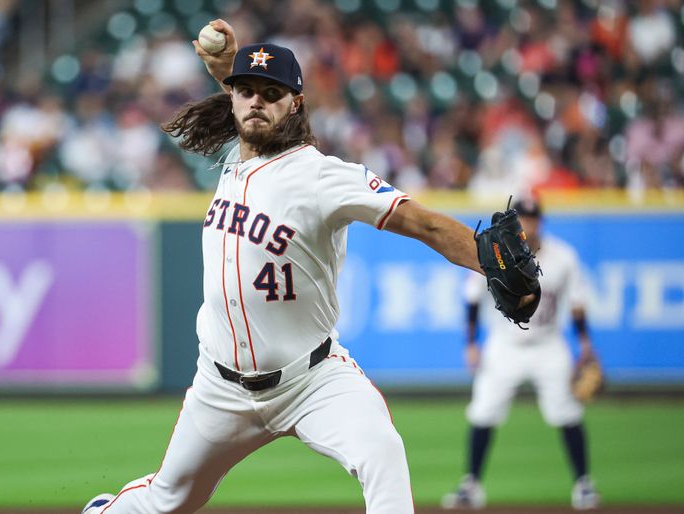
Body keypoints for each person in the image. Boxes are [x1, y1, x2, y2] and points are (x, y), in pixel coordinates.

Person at [81, 20, 532, 514]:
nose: (257, 101)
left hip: (312, 380)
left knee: (382, 452)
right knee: (166, 500)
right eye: (246, 91)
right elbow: (248, 112)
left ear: (295, 103)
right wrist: (228, 73)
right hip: (220, 387)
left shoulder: (321, 175)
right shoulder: (235, 154)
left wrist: (488, 262)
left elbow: (420, 223)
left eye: (272, 93)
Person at [441, 197, 601, 511]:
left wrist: (584, 343)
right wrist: (471, 343)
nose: (527, 224)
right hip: (504, 345)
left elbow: (578, 303)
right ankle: (471, 486)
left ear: (540, 221)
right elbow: (472, 299)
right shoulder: (496, 253)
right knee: (483, 412)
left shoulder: (563, 257)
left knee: (567, 413)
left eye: (532, 218)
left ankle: (584, 484)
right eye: (523, 218)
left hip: (549, 345)